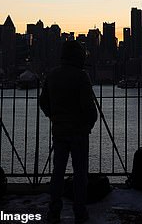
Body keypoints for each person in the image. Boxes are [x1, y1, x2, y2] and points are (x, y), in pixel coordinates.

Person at [40, 40, 97, 224]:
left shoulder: (53, 75)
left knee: (58, 171)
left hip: (59, 130)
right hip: (79, 132)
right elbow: (89, 108)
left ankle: (54, 210)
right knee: (80, 173)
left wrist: (53, 116)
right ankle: (80, 211)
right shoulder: (81, 77)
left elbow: (43, 102)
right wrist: (89, 124)